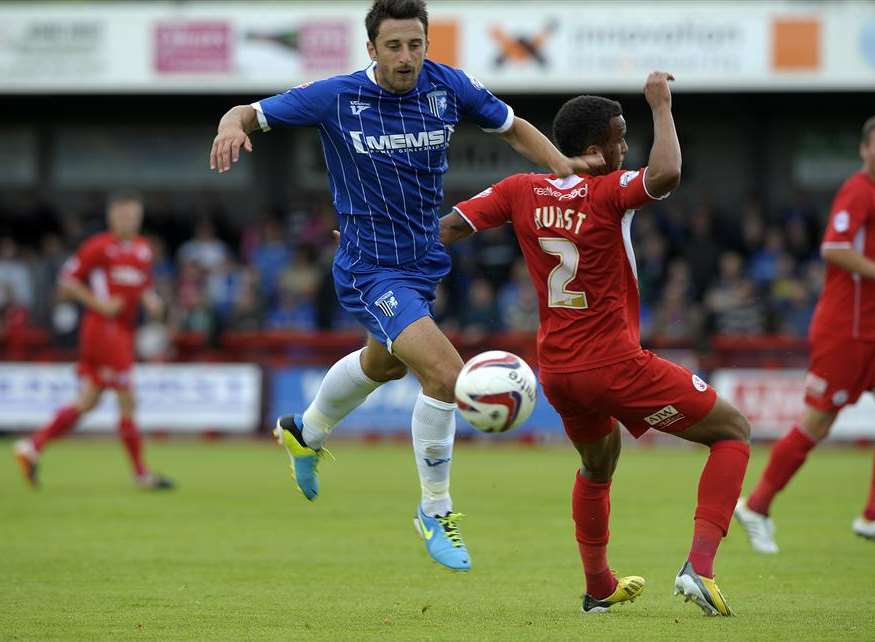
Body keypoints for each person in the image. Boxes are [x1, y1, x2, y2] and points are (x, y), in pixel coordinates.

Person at [208, 0, 602, 571]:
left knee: (385, 364)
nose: (406, 57)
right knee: (444, 373)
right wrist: (228, 124)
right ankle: (433, 509)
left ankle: (305, 431)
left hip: (422, 262)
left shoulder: (449, 87)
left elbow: (513, 129)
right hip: (369, 267)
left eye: (415, 44)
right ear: (371, 49)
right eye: (393, 46)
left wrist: (561, 165)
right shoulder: (335, 97)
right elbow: (249, 113)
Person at [439, 72, 751, 615]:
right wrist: (661, 105)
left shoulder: (519, 190)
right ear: (592, 151)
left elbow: (450, 227)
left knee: (598, 465)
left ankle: (599, 586)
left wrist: (376, 239)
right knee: (733, 432)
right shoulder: (610, 191)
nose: (625, 148)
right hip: (615, 364)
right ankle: (699, 567)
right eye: (620, 139)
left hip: (558, 372)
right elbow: (668, 172)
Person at [734, 116, 875, 551]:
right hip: (846, 331)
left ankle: (871, 516)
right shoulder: (859, 190)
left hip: (870, 327)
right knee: (818, 420)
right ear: (864, 149)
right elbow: (833, 248)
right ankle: (756, 505)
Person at [13, 192, 174, 490]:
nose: (128, 221)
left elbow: (143, 286)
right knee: (128, 400)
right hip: (103, 330)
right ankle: (141, 475)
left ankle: (32, 446)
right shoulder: (98, 247)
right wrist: (99, 305)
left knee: (87, 402)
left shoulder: (142, 250)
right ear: (112, 217)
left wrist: (152, 302)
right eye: (123, 216)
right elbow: (66, 282)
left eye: (133, 216)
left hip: (122, 332)